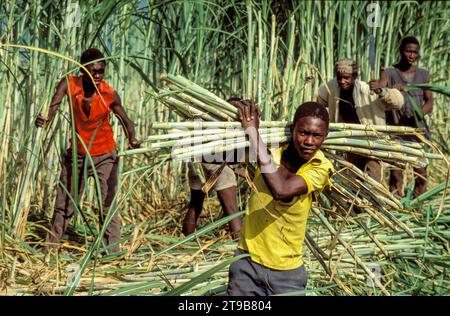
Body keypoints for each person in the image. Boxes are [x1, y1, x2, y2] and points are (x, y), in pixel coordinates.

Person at [35, 48, 140, 254]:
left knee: (107, 205)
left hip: (105, 156)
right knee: (64, 204)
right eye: (94, 71)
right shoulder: (69, 84)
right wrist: (44, 119)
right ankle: (50, 250)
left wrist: (132, 138)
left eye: (102, 71)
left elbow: (127, 122)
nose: (99, 75)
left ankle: (111, 253)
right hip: (77, 155)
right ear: (83, 70)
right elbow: (52, 108)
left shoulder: (109, 94)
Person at [226, 100, 334, 296]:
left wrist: (252, 132)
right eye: (303, 133)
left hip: (287, 274)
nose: (309, 142)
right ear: (293, 130)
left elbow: (281, 190)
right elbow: (227, 149)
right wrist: (236, 108)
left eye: (317, 136)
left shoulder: (321, 167)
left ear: (325, 137)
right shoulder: (270, 149)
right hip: (246, 263)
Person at [316, 58, 404, 182]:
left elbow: (398, 102)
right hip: (348, 141)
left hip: (372, 141)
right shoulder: (331, 87)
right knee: (350, 178)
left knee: (372, 175)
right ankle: (352, 201)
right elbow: (318, 104)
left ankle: (371, 201)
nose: (342, 81)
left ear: (355, 76)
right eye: (339, 77)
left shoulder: (368, 90)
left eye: (346, 78)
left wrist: (381, 91)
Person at [379, 36, 433, 197]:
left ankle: (417, 207)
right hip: (396, 131)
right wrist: (390, 89)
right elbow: (381, 89)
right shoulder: (389, 72)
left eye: (415, 52)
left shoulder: (423, 74)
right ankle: (396, 209)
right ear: (401, 51)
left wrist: (419, 113)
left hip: (417, 132)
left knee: (421, 173)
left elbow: (429, 101)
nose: (411, 55)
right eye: (408, 51)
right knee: (396, 174)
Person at [183, 162, 241, 238]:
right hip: (217, 163)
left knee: (195, 206)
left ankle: (185, 243)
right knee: (232, 210)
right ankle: (240, 245)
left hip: (195, 164)